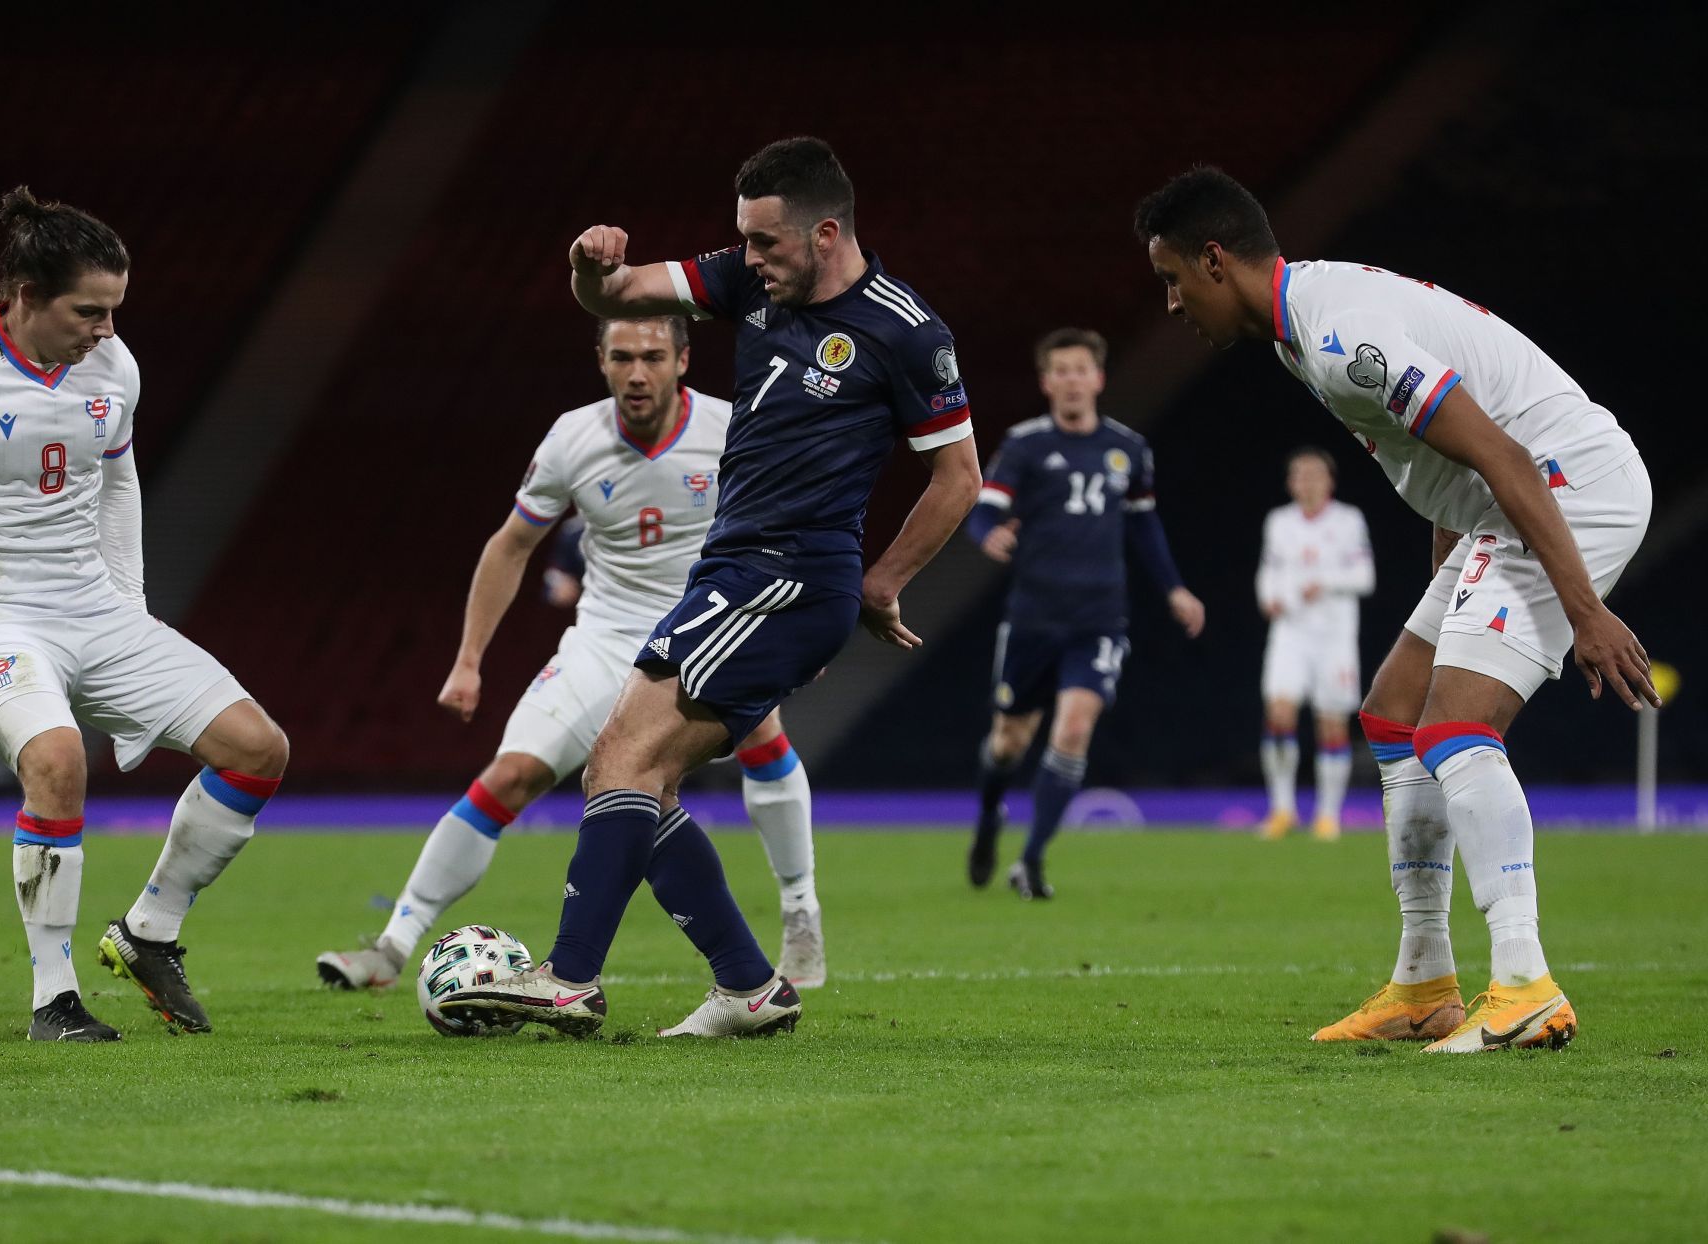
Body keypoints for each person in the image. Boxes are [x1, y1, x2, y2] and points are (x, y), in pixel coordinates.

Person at [440, 136, 981, 1038]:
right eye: (745, 241)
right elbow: (615, 296)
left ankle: (571, 977)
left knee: (620, 759)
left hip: (789, 578)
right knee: (641, 782)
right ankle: (749, 988)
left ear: (826, 233)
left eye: (766, 243)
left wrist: (881, 583)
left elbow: (957, 476)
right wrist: (587, 269)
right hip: (734, 573)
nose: (750, 258)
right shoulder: (751, 282)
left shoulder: (904, 330)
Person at [1136, 166, 1655, 1053]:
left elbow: (1501, 455)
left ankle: (1526, 984)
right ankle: (1425, 983)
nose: (1174, 305)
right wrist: (1446, 588)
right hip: (1511, 502)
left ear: (1215, 260)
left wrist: (1586, 614)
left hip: (1571, 486)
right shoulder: (1302, 330)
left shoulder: (1341, 336)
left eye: (1173, 281)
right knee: (1395, 710)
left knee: (1457, 726)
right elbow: (1450, 475)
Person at [0, 187, 289, 1042]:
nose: (106, 328)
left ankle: (150, 932)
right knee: (57, 759)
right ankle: (54, 999)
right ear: (25, 298)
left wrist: (131, 608)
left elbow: (117, 486)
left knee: (259, 750)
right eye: (89, 309)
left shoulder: (114, 367)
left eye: (115, 308)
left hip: (94, 610)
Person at [314, 317, 824, 992]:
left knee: (761, 732)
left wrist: (802, 625)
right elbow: (511, 544)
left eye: (652, 357)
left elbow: (796, 525)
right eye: (622, 357)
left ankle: (799, 916)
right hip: (605, 638)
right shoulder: (571, 438)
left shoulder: (732, 430)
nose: (637, 372)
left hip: (705, 630)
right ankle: (391, 947)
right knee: (510, 775)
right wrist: (469, 659)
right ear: (601, 361)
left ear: (682, 360)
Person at [965, 328, 1204, 898]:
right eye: (1061, 371)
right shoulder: (1024, 445)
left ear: (1098, 378)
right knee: (1008, 743)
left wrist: (1174, 588)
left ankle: (1031, 859)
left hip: (1099, 618)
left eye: (1082, 370)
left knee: (1073, 729)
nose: (1072, 380)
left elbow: (1144, 525)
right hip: (1032, 618)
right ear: (1047, 382)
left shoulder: (1128, 449)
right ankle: (990, 813)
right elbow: (984, 509)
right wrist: (988, 535)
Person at [1255, 447, 1375, 841]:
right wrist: (1268, 596)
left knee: (1331, 723)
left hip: (1333, 637)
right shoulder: (1279, 522)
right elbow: (1269, 569)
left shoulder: (1347, 520)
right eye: (1299, 475)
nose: (1306, 483)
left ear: (1329, 481)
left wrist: (1323, 582)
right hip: (1290, 633)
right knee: (1279, 711)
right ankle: (1282, 809)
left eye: (1314, 475)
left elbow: (1364, 576)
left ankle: (1327, 816)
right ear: (1290, 483)